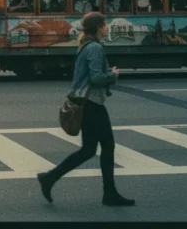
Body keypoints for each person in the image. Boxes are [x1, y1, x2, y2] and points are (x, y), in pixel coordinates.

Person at [37, 12, 134, 207]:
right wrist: (112, 74)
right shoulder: (95, 48)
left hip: (86, 103)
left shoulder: (86, 46)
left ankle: (50, 178)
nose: (107, 27)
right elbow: (97, 78)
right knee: (107, 146)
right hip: (92, 104)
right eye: (105, 24)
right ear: (98, 28)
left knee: (89, 150)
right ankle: (109, 193)